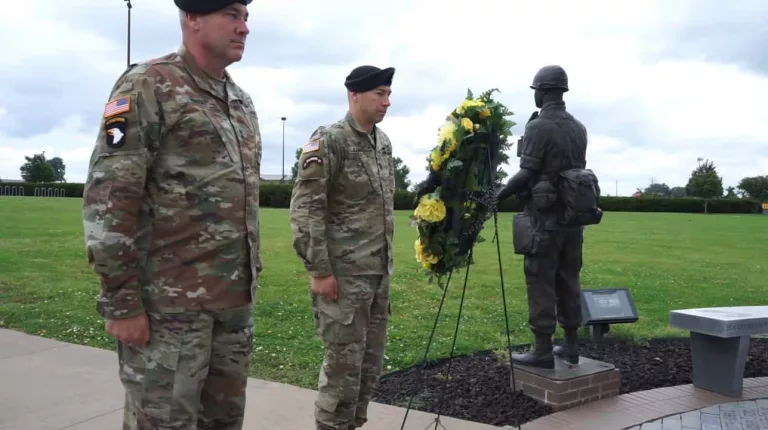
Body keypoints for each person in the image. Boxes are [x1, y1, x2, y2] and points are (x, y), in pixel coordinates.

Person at [81, 0, 262, 428]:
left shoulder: (240, 101)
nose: (244, 28)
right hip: (169, 311)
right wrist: (122, 303)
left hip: (233, 309)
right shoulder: (148, 84)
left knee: (223, 422)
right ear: (193, 18)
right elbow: (111, 196)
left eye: (246, 18)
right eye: (232, 15)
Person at [289, 65, 396, 430]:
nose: (387, 101)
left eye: (388, 94)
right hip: (343, 279)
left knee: (368, 370)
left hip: (377, 277)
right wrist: (319, 271)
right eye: (379, 94)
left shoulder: (383, 143)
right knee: (342, 372)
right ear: (354, 95)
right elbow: (306, 209)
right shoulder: (330, 140)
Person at [496, 65, 601, 369]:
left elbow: (528, 171)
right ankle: (570, 346)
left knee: (540, 279)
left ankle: (542, 349)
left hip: (545, 219)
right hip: (573, 219)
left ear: (542, 91)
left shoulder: (538, 126)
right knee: (569, 279)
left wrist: (498, 196)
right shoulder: (578, 127)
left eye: (536, 91)